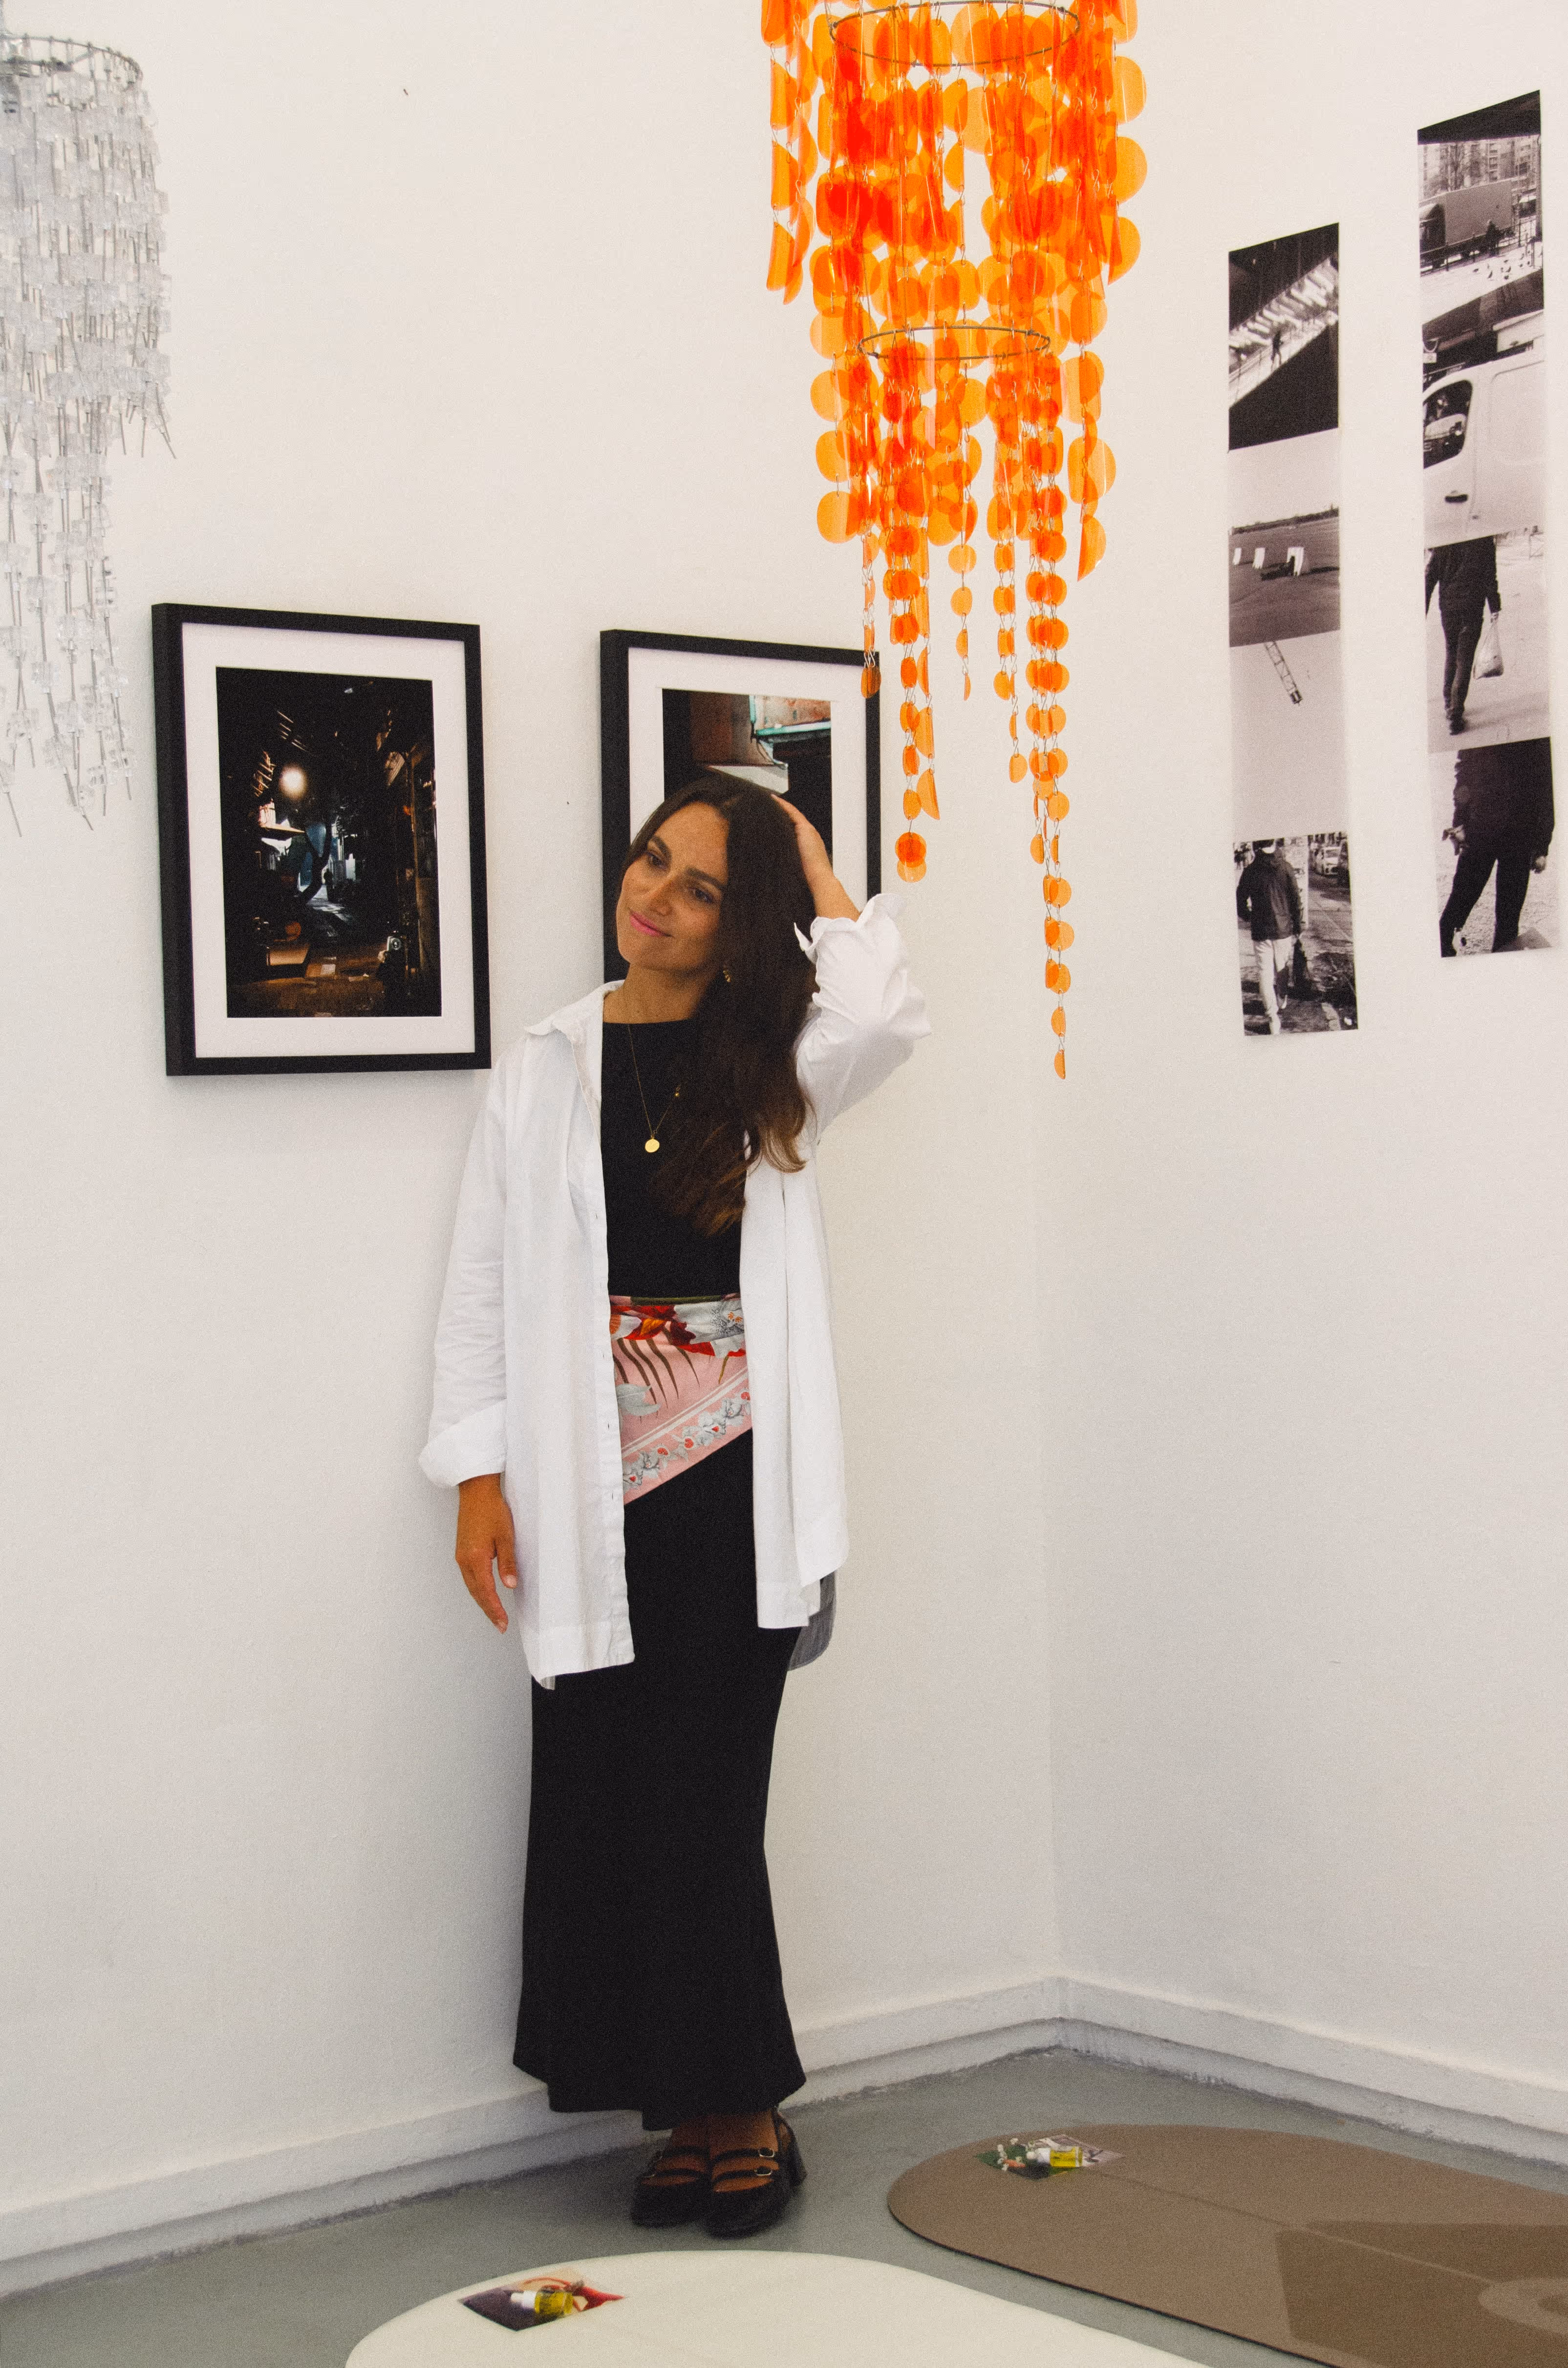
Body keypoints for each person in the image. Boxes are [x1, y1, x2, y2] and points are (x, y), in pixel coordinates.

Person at [420, 775, 928, 2239]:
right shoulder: (546, 1061)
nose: (654, 893)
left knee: (706, 1802)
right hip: (583, 1486)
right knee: (606, 1795)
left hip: (732, 1483)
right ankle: (690, 2102)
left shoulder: (773, 1063)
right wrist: (473, 1475)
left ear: (739, 922)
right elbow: (483, 1278)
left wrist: (814, 862)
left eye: (700, 882)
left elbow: (887, 1011)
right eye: (652, 858)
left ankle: (737, 2107)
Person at [1439, 738, 1554, 955]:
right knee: (1461, 898)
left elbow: (1548, 790)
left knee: (1509, 919)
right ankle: (1443, 947)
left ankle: (1503, 969)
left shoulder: (1539, 740)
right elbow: (1464, 777)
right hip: (1480, 828)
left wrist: (1541, 846)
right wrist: (1460, 823)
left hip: (1520, 836)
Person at [1424, 535, 1500, 736]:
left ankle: (1449, 704)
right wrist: (1495, 606)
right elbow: (1489, 577)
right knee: (1464, 660)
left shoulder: (1444, 539)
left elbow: (1430, 576)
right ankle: (1456, 715)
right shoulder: (1484, 540)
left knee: (1451, 653)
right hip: (1472, 607)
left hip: (1448, 608)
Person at [1235, 839, 1303, 1034]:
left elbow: (1239, 900)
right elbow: (1295, 901)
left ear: (1257, 847)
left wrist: (1249, 917)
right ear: (1275, 844)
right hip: (1283, 930)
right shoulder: (1286, 868)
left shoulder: (1250, 871)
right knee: (1281, 967)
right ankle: (1282, 999)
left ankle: (1273, 1018)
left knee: (1265, 973)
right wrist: (1297, 926)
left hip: (1261, 931)